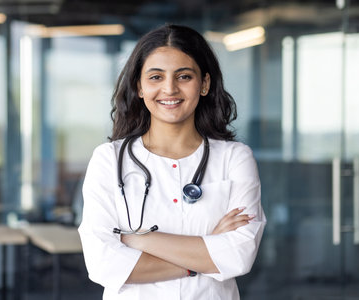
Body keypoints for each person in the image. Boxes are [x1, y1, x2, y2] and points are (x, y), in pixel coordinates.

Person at [78, 24, 266, 299]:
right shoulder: (109, 160)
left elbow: (238, 256)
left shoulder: (234, 158)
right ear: (139, 87)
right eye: (155, 77)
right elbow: (102, 264)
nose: (169, 88)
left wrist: (137, 240)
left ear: (204, 84)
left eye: (184, 76)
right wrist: (204, 257)